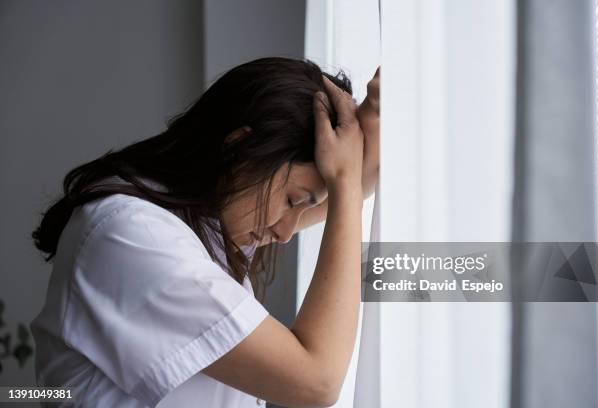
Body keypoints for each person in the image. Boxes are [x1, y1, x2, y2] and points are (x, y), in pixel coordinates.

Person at [30, 57, 380, 407]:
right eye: (291, 201)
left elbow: (358, 181)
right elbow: (317, 383)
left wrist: (373, 115)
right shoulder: (132, 237)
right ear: (239, 150)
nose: (288, 231)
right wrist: (345, 183)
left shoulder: (200, 218)